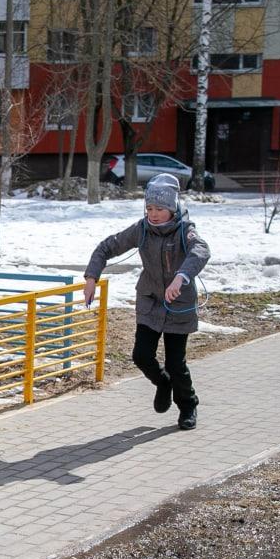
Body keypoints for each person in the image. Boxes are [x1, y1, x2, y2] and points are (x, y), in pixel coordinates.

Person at [82, 173, 210, 430]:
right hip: (150, 300)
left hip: (179, 302)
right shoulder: (142, 229)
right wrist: (91, 277)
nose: (153, 214)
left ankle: (188, 405)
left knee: (176, 363)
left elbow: (201, 251)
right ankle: (162, 383)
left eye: (160, 209)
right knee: (141, 355)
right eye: (149, 208)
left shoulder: (186, 230)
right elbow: (106, 247)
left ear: (172, 208)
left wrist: (181, 277)